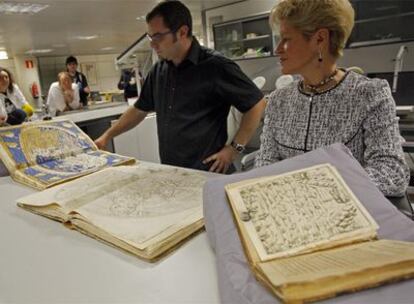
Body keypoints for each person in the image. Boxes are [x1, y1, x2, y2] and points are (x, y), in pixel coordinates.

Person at [255, 0, 409, 197]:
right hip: (288, 215)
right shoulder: (278, 100)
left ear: (320, 39)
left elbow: (392, 173)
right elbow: (265, 162)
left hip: (347, 218)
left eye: (286, 39)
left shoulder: (369, 95)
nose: (278, 49)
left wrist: (316, 189)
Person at [95, 0, 266, 173]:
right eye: (150, 37)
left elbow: (256, 104)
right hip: (173, 172)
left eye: (158, 37)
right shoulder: (159, 70)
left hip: (209, 172)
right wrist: (106, 136)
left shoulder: (216, 66)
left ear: (182, 32)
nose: (152, 44)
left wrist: (234, 149)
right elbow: (139, 109)